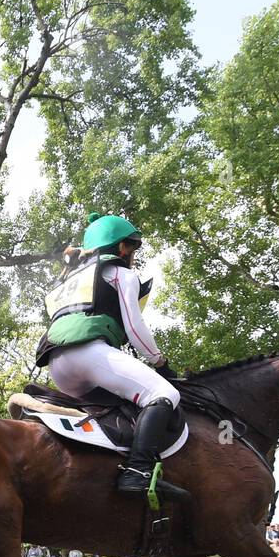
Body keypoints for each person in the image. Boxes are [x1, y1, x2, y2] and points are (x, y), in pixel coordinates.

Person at [34, 212, 187, 504]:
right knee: (163, 393)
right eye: (132, 248)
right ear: (121, 248)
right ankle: (138, 471)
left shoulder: (70, 279)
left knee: (119, 409)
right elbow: (134, 327)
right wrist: (160, 363)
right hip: (89, 354)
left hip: (57, 365)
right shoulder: (121, 273)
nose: (132, 255)